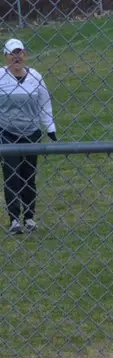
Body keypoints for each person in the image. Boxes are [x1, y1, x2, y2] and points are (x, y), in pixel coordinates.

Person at [0, 38, 56, 235]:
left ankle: (29, 217)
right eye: (11, 54)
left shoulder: (35, 76)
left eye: (19, 53)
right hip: (7, 133)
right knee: (12, 176)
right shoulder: (0, 77)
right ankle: (14, 219)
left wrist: (50, 127)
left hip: (31, 133)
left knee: (28, 176)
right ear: (5, 57)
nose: (16, 57)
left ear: (24, 54)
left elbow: (44, 102)